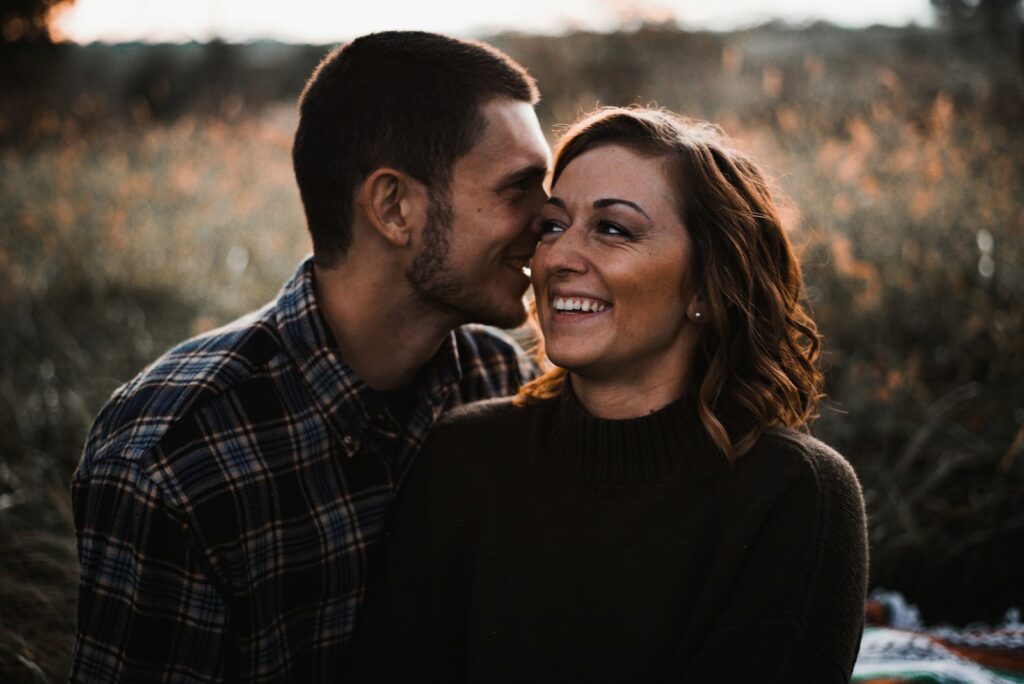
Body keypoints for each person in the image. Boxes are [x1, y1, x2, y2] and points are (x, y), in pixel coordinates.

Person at [69, 31, 551, 682]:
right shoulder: (171, 454)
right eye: (519, 188)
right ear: (394, 207)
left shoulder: (500, 377)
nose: (549, 217)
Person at [352, 107, 869, 682]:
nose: (557, 259)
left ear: (705, 285)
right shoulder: (463, 456)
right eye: (552, 225)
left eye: (613, 229)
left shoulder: (793, 494)